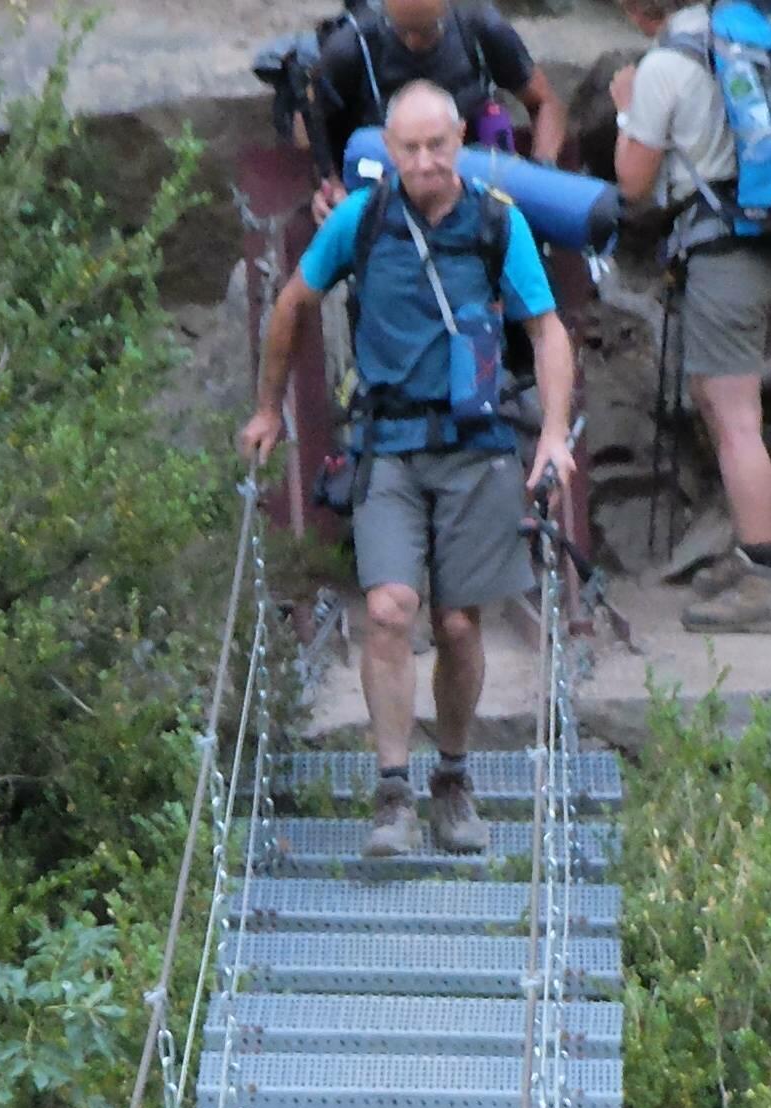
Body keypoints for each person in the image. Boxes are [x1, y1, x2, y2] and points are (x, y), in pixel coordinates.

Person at [239, 79, 579, 864]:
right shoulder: (361, 220)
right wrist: (266, 410)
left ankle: (452, 779)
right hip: (388, 447)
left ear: (461, 142)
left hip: (475, 446)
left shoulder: (498, 221)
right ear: (388, 151)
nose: (425, 161)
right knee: (390, 611)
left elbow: (547, 330)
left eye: (438, 145)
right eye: (410, 148)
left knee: (458, 624)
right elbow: (292, 304)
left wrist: (554, 434)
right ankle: (392, 792)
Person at [608, 0, 771, 637]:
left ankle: (762, 582)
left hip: (726, 256)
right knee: (716, 401)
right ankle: (747, 555)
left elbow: (633, 181)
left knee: (737, 419)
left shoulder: (665, 65)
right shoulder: (757, 38)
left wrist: (627, 108)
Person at [299, 0, 571, 187]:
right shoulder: (351, 46)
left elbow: (545, 102)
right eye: (402, 32)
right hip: (387, 180)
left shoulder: (480, 27)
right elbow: (311, 120)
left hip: (473, 172)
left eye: (426, 31)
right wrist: (329, 185)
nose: (413, 42)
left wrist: (542, 170)